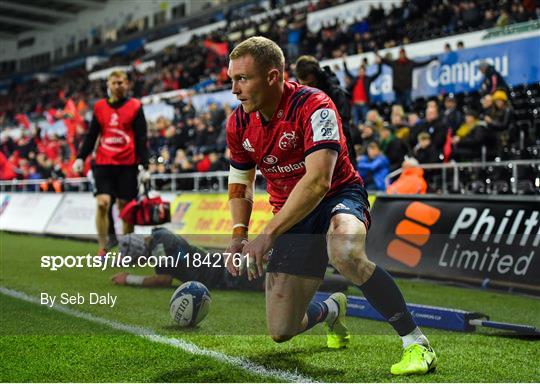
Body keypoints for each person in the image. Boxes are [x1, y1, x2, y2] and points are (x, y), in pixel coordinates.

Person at [225, 36, 437, 376]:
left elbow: (318, 181)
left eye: (242, 79)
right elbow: (240, 183)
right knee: (281, 331)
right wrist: (239, 233)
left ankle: (416, 343)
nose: (234, 89)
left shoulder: (315, 105)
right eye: (231, 80)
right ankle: (331, 309)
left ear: (273, 76)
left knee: (346, 251)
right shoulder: (237, 123)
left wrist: (266, 234)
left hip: (337, 195)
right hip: (291, 215)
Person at [111, 228, 351, 292]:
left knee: (284, 282)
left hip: (228, 274)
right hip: (222, 262)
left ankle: (341, 282)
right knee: (283, 270)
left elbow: (163, 280)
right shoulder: (159, 234)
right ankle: (336, 272)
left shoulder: (160, 247)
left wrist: (129, 279)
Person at [72, 70, 149, 256]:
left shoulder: (136, 106)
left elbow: (141, 137)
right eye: (114, 83)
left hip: (127, 165)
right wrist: (81, 157)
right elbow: (92, 135)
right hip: (103, 163)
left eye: (121, 82)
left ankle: (129, 249)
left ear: (127, 84)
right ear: (109, 85)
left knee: (126, 207)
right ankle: (103, 247)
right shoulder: (99, 107)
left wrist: (145, 166)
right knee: (102, 204)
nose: (118, 86)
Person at [294, 55, 356, 164]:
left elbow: (343, 130)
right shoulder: (300, 95)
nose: (309, 89)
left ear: (318, 76)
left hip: (341, 156)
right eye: (304, 85)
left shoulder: (337, 94)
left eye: (311, 84)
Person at [342, 57, 382, 129]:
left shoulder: (368, 79)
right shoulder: (355, 79)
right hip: (355, 105)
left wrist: (379, 64)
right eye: (359, 71)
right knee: (355, 123)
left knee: (367, 122)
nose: (361, 72)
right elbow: (347, 72)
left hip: (364, 104)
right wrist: (344, 63)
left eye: (362, 71)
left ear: (365, 72)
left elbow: (378, 73)